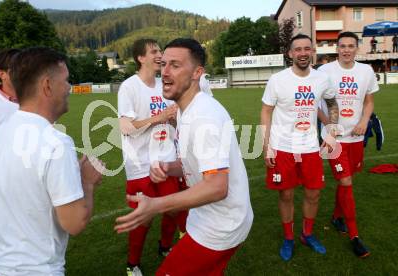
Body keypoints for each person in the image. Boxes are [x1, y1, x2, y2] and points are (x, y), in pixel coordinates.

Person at [115, 38, 253, 275]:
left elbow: (217, 187)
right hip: (209, 219)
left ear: (197, 73)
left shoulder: (203, 116)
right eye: (164, 63)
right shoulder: (187, 111)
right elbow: (197, 163)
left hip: (219, 226)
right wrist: (171, 167)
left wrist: (156, 205)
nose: (165, 72)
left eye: (175, 65)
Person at [0, 47, 103, 275]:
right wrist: (87, 182)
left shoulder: (2, 129)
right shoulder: (56, 142)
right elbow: (74, 223)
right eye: (66, 80)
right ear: (47, 86)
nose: (69, 88)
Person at [260, 34, 339, 261]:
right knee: (286, 194)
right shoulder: (277, 80)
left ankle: (307, 234)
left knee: (313, 194)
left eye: (307, 48)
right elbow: (266, 111)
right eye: (298, 49)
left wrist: (332, 131)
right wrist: (267, 147)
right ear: (290, 54)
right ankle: (288, 237)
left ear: (312, 51)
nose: (303, 53)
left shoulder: (321, 79)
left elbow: (332, 102)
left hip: (310, 147)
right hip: (282, 146)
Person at [117, 38, 186, 276]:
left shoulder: (164, 85)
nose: (160, 55)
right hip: (139, 164)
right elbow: (126, 127)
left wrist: (175, 118)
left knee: (173, 209)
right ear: (140, 58)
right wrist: (159, 117)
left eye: (160, 51)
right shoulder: (129, 87)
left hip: (165, 159)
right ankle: (132, 263)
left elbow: (173, 121)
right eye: (154, 51)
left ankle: (165, 246)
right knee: (142, 218)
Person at [317, 31, 379, 258]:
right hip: (334, 139)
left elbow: (369, 101)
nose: (346, 50)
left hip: (356, 137)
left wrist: (364, 121)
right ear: (337, 48)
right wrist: (328, 124)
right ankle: (355, 236)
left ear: (357, 48)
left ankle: (336, 216)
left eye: (350, 46)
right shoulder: (324, 72)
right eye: (342, 46)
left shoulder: (366, 71)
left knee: (346, 182)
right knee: (346, 181)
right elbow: (314, 102)